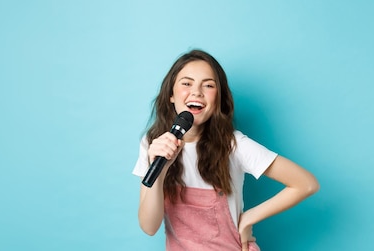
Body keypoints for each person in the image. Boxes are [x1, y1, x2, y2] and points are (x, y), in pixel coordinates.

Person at [132, 49, 319, 251]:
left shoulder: (233, 145)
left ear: (218, 99)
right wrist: (160, 169)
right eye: (186, 83)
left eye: (209, 85)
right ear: (171, 95)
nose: (196, 92)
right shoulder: (153, 143)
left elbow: (306, 184)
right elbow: (149, 227)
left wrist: (249, 218)